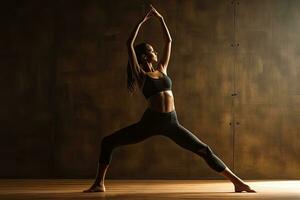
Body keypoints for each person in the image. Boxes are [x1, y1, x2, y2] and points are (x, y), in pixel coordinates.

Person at [83, 5, 256, 193]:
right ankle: (99, 183)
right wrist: (141, 22)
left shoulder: (162, 69)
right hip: (151, 122)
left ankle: (237, 182)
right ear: (143, 56)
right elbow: (128, 44)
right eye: (152, 50)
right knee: (108, 142)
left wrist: (160, 19)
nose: (155, 52)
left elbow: (169, 41)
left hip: (171, 122)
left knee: (203, 149)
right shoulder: (141, 75)